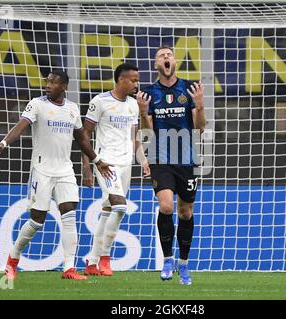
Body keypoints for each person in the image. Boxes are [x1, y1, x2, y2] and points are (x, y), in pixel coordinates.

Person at [0, 70, 111, 281]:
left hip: (65, 170)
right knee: (37, 220)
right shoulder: (37, 104)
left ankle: (69, 268)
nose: (48, 85)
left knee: (69, 214)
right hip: (42, 170)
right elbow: (22, 125)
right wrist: (3, 143)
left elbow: (82, 140)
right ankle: (13, 257)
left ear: (63, 87)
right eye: (47, 82)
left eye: (53, 82)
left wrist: (96, 161)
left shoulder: (72, 109)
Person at [136, 46, 206, 285]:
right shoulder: (147, 94)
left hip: (187, 159)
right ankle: (167, 259)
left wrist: (200, 105)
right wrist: (144, 113)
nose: (166, 58)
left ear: (175, 62)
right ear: (156, 65)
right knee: (166, 206)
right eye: (161, 56)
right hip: (160, 158)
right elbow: (146, 133)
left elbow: (200, 129)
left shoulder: (189, 88)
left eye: (169, 55)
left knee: (185, 212)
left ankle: (183, 265)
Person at [82, 63, 150, 277]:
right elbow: (84, 136)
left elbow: (135, 138)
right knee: (120, 207)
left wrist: (143, 161)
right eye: (133, 80)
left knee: (108, 209)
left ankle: (91, 261)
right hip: (105, 163)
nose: (136, 84)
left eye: (137, 80)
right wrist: (87, 167)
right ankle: (105, 257)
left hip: (125, 164)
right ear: (121, 80)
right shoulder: (99, 102)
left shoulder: (132, 105)